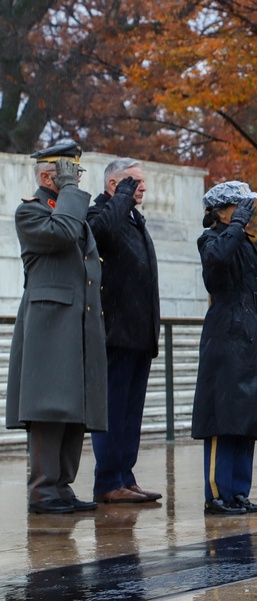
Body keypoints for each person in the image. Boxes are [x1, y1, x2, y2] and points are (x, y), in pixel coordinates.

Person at [6, 141, 107, 514]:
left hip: (76, 321)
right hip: (48, 326)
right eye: (70, 174)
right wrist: (68, 193)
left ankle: (62, 486)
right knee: (49, 410)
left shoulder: (68, 208)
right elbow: (62, 233)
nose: (77, 181)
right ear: (48, 176)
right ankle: (42, 491)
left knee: (74, 410)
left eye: (77, 174)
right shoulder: (30, 212)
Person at [192, 181, 257, 515]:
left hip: (248, 334)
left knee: (246, 417)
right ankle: (217, 493)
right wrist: (236, 225)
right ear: (224, 209)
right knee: (222, 417)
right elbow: (216, 262)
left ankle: (239, 491)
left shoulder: (242, 240)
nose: (247, 212)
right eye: (241, 206)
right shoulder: (212, 239)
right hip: (225, 335)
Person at [86, 157, 162, 504]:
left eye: (142, 181)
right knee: (113, 411)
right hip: (114, 331)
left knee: (131, 414)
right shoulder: (100, 212)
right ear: (114, 185)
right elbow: (99, 234)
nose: (142, 187)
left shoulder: (133, 217)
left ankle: (125, 475)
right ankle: (107, 481)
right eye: (134, 181)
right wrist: (121, 199)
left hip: (139, 332)